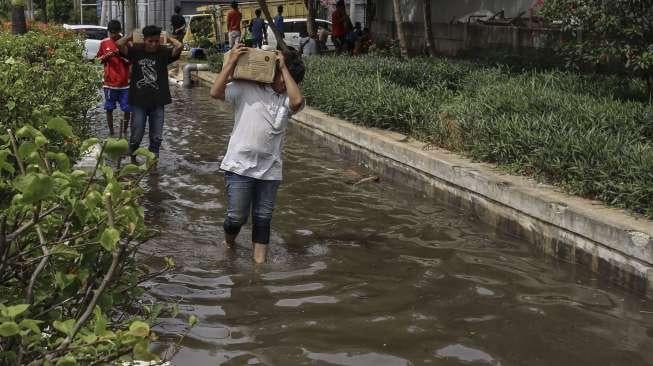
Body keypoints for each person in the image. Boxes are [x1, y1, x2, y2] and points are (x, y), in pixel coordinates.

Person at [209, 44, 305, 264]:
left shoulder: (287, 99)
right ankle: (229, 242)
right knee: (236, 217)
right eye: (282, 79)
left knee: (263, 218)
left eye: (288, 81)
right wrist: (232, 61)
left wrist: (284, 69)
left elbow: (298, 101)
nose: (283, 85)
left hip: (270, 169)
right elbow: (215, 92)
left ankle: (259, 266)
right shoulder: (245, 87)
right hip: (239, 165)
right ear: (273, 73)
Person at [116, 25, 183, 164]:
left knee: (157, 136)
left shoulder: (163, 52)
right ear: (144, 40)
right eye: (150, 41)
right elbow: (119, 44)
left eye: (156, 41)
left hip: (158, 100)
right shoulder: (136, 50)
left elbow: (179, 46)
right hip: (139, 101)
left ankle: (153, 163)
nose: (153, 44)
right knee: (137, 133)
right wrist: (131, 36)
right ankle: (132, 156)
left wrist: (167, 37)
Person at [96, 19, 131, 137]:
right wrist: (107, 56)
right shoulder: (104, 43)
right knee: (109, 108)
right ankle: (111, 133)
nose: (113, 35)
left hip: (125, 83)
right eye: (111, 33)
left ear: (120, 31)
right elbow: (98, 60)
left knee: (127, 109)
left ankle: (125, 132)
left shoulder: (126, 42)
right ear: (108, 32)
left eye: (115, 33)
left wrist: (120, 56)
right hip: (109, 83)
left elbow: (132, 60)